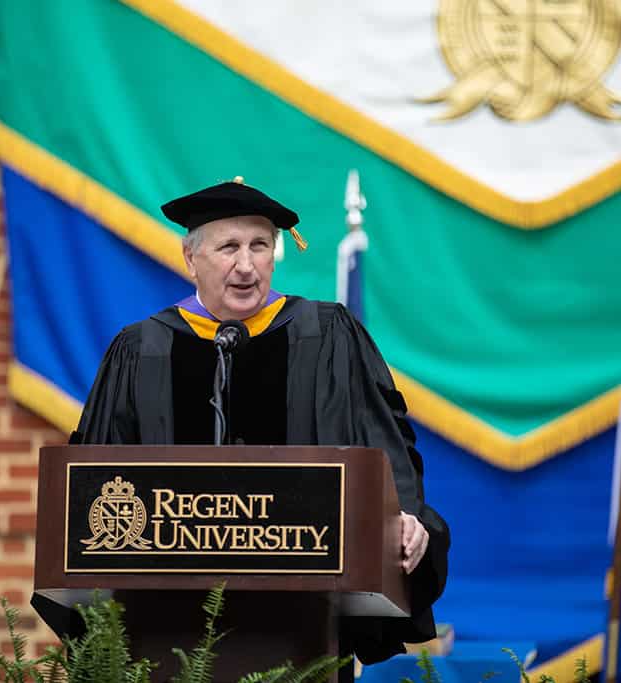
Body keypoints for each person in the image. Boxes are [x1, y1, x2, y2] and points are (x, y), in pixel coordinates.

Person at [68, 177, 450, 664]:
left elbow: (381, 439)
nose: (246, 266)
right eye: (228, 247)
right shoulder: (142, 349)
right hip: (165, 626)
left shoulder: (327, 334)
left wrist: (406, 515)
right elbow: (97, 473)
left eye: (260, 246)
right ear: (191, 260)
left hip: (307, 620)